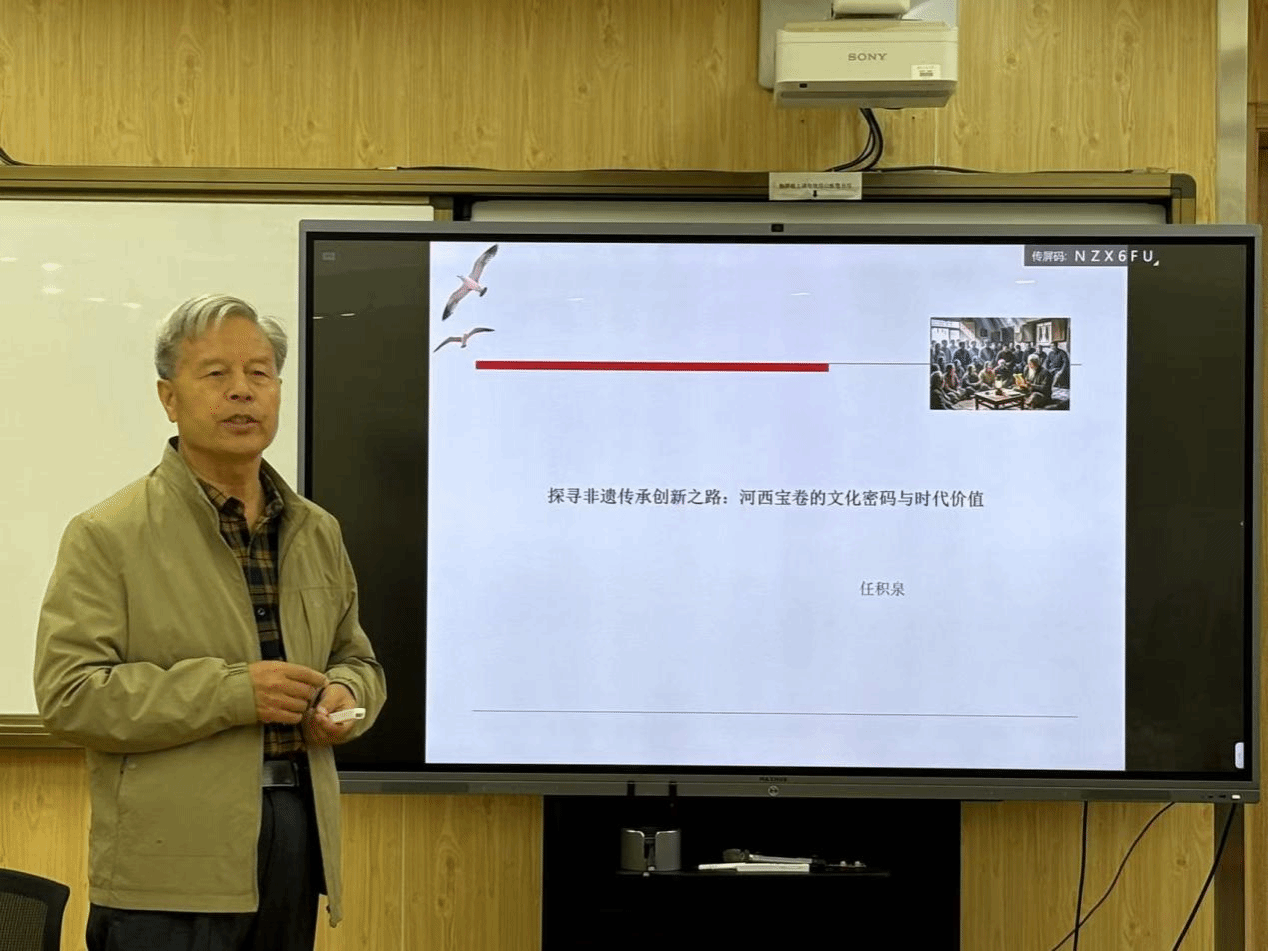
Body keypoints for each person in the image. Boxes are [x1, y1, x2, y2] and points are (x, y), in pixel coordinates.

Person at [34, 293, 387, 951]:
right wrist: (234, 692)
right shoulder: (108, 534)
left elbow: (357, 659)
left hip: (296, 840)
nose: (242, 392)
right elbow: (70, 695)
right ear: (168, 398)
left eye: (259, 373)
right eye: (216, 374)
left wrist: (346, 694)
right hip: (167, 869)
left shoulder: (316, 530)